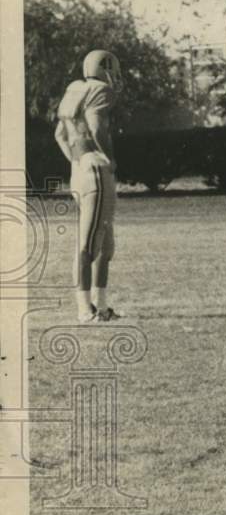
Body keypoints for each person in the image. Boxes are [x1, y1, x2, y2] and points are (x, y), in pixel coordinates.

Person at [54, 49, 124, 323]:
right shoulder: (101, 90)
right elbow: (96, 127)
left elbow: (59, 135)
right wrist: (107, 158)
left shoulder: (75, 89)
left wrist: (77, 161)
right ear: (105, 67)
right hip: (95, 171)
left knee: (105, 246)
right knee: (88, 245)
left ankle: (101, 307)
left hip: (80, 170)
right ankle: (85, 310)